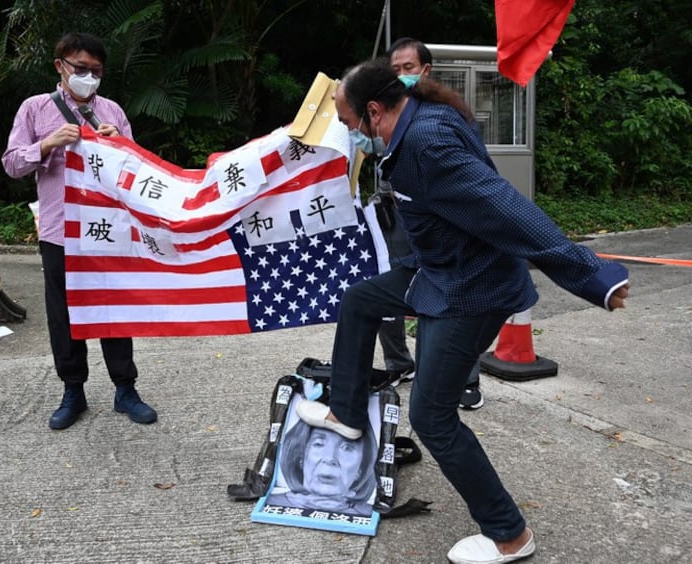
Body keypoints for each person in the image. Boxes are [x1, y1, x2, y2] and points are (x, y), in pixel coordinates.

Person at [297, 58, 630, 564]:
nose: (350, 137)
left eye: (348, 125)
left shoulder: (428, 143)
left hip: (472, 290)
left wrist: (591, 274)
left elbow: (504, 207)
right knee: (360, 300)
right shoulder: (414, 114)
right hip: (437, 271)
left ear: (373, 111)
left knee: (431, 415)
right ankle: (346, 412)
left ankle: (509, 535)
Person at [2, 32, 157, 430]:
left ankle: (126, 389)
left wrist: (120, 144)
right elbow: (12, 164)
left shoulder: (113, 111)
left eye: (96, 71)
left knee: (114, 309)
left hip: (107, 230)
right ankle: (73, 391)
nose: (89, 76)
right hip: (59, 230)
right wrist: (48, 143)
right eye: (80, 69)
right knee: (64, 314)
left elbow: (137, 172)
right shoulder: (35, 109)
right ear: (60, 66)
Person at [377, 37, 484, 410]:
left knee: (453, 295)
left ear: (426, 70)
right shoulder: (382, 111)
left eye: (408, 68)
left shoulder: (447, 113)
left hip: (441, 224)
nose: (402, 76)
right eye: (395, 70)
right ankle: (399, 363)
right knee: (384, 287)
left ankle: (465, 379)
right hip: (394, 217)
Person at [264, 418, 377, 517]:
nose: (330, 458)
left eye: (347, 447)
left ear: (361, 468)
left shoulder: (370, 513)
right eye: (318, 444)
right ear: (301, 458)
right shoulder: (270, 503)